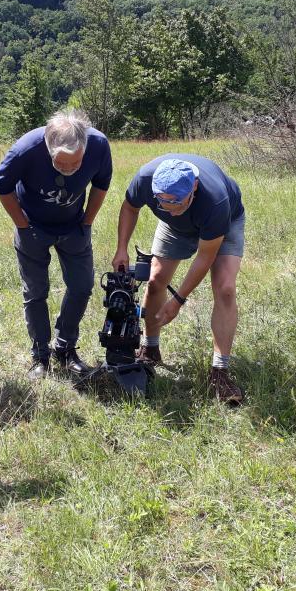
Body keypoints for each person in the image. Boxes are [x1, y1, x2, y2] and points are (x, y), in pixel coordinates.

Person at [112, 155, 246, 404]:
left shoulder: (215, 201)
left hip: (223, 223)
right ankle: (150, 349)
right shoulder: (145, 179)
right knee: (155, 280)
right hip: (175, 229)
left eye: (176, 202)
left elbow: (205, 258)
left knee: (225, 288)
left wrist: (178, 300)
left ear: (194, 187)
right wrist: (122, 248)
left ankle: (220, 372)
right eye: (161, 202)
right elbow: (130, 207)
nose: (169, 208)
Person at [0, 110, 113, 379]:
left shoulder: (99, 145)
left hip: (74, 227)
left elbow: (101, 184)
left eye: (76, 164)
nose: (69, 170)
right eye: (62, 164)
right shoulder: (27, 148)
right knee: (36, 291)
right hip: (33, 227)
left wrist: (87, 223)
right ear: (48, 148)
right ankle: (40, 356)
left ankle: (65, 348)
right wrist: (22, 225)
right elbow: (1, 185)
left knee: (82, 287)